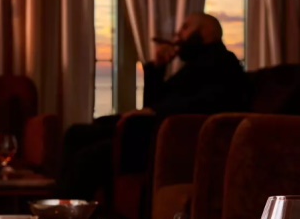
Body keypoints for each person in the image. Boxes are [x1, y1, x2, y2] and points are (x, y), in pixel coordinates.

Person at [58, 12, 249, 202]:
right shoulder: (194, 66)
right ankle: (60, 208)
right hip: (151, 133)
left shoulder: (223, 62)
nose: (178, 35)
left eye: (185, 28)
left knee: (86, 158)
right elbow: (153, 102)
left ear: (207, 31)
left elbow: (208, 102)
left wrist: (156, 111)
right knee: (76, 133)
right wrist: (158, 67)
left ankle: (68, 214)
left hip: (169, 142)